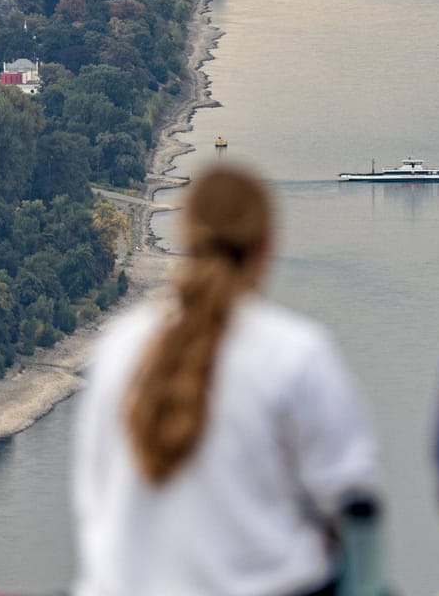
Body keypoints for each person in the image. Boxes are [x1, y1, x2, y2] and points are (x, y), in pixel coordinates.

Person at [72, 165, 384, 596]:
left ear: (186, 237)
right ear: (266, 246)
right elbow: (354, 502)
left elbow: (95, 499)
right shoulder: (297, 354)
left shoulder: (118, 350)